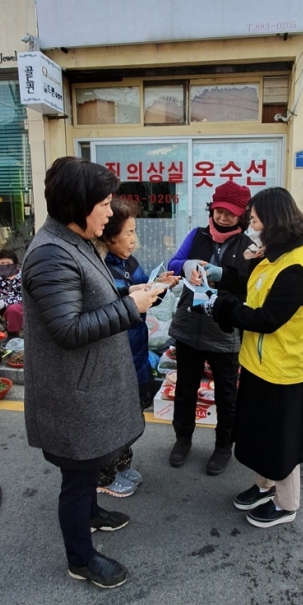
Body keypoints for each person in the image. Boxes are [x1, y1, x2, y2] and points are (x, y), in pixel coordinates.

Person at [21, 157, 160, 589]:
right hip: (72, 393)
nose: (108, 211)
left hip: (90, 385)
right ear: (77, 204)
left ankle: (93, 515)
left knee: (90, 466)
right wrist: (129, 308)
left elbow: (84, 298)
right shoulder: (50, 253)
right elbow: (66, 329)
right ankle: (80, 558)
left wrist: (125, 292)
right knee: (78, 478)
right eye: (102, 203)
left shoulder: (75, 240)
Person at [201, 186, 303, 527]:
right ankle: (265, 485)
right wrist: (220, 276)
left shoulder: (295, 268)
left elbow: (266, 319)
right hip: (259, 363)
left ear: (271, 221)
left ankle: (287, 504)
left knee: (282, 440)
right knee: (261, 434)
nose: (250, 225)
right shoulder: (275, 255)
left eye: (253, 219)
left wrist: (218, 305)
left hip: (282, 370)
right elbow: (253, 287)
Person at [167, 180, 255, 476]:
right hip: (190, 325)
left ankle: (222, 446)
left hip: (225, 329)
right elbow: (174, 262)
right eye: (219, 210)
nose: (223, 217)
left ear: (242, 214)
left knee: (226, 393)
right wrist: (186, 265)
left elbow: (248, 282)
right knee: (185, 388)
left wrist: (222, 275)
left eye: (230, 213)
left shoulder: (248, 246)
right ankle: (182, 439)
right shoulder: (197, 235)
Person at [95, 196, 179, 497]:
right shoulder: (98, 264)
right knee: (110, 421)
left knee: (129, 416)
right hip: (115, 354)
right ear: (108, 234)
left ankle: (121, 463)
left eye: (134, 232)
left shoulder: (129, 261)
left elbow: (144, 296)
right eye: (128, 233)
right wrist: (132, 292)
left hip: (137, 349)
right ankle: (103, 477)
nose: (134, 240)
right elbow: (110, 297)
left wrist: (160, 286)